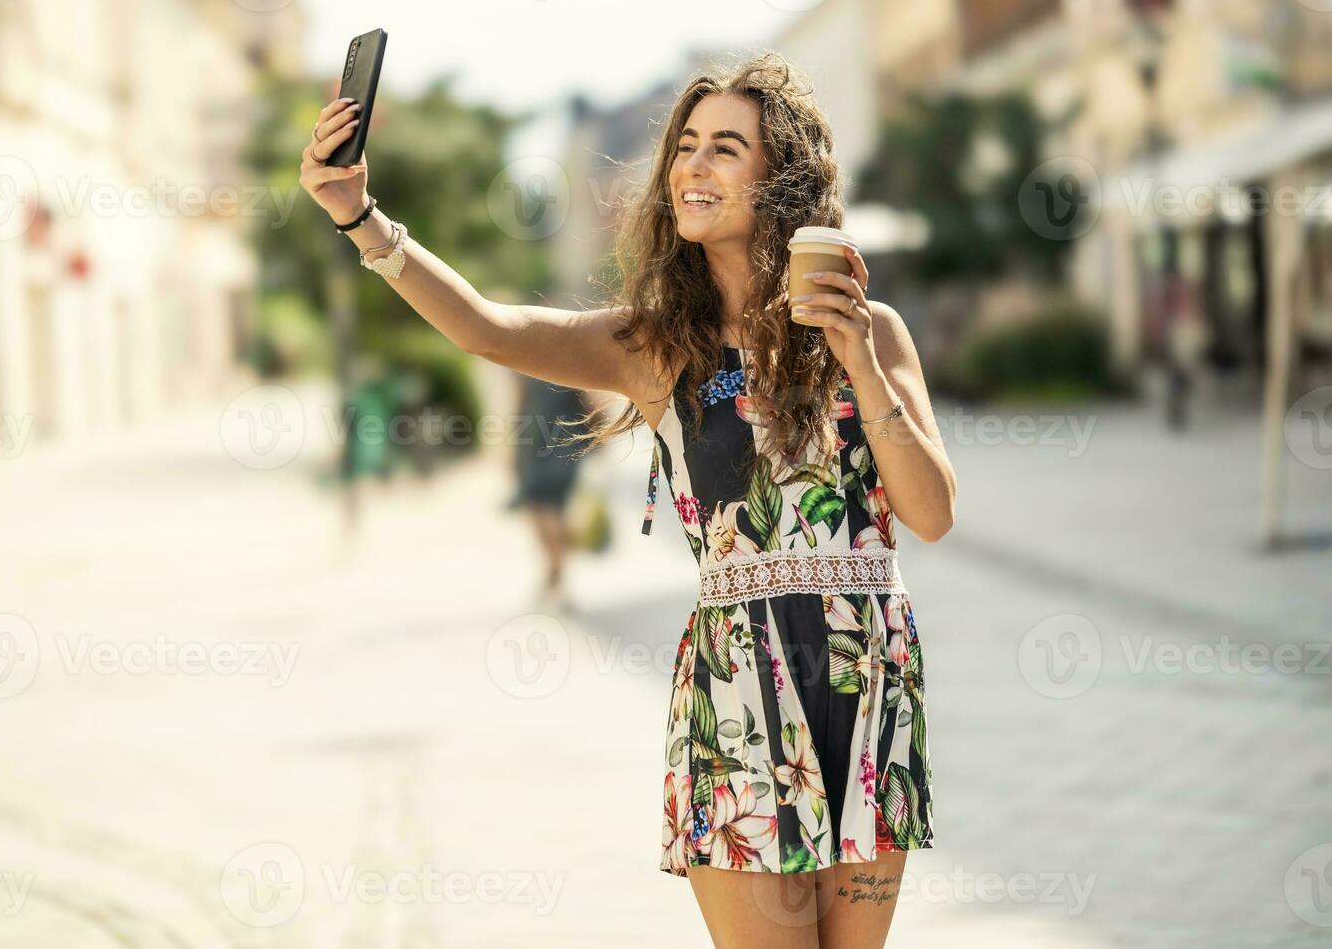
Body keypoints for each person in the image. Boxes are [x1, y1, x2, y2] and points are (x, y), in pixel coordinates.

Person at [299, 51, 957, 949]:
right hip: (739, 683)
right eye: (686, 146)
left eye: (727, 148)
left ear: (783, 178)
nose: (693, 166)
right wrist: (360, 219)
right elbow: (490, 329)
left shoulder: (872, 333)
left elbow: (930, 513)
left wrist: (858, 358)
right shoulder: (654, 346)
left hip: (868, 670)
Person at [506, 373, 594, 614]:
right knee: (543, 511)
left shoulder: (560, 357)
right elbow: (520, 405)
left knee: (549, 511)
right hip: (541, 444)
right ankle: (555, 576)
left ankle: (557, 579)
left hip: (559, 444)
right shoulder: (524, 361)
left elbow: (588, 399)